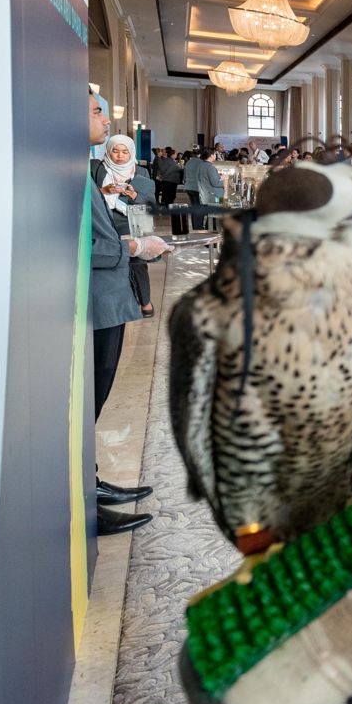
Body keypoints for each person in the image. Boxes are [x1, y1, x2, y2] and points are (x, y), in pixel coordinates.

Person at [86, 92, 167, 535]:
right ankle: (84, 498)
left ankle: (90, 481)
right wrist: (135, 246)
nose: (105, 119)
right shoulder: (82, 173)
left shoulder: (84, 168)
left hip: (108, 297)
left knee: (96, 396)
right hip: (96, 300)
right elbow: (78, 245)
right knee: (89, 399)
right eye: (97, 111)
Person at [95, 134, 159, 316]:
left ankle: (145, 301)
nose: (120, 155)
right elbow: (89, 194)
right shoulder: (98, 169)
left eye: (124, 151)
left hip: (133, 222)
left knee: (138, 263)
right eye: (115, 151)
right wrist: (103, 191)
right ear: (108, 151)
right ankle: (118, 302)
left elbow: (150, 203)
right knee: (112, 263)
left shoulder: (141, 172)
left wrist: (134, 196)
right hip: (105, 222)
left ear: (131, 153)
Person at [184, 147, 224, 230]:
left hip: (190, 187)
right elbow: (214, 182)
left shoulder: (192, 163)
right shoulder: (207, 165)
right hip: (204, 191)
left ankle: (197, 227)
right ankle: (202, 227)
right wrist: (225, 181)